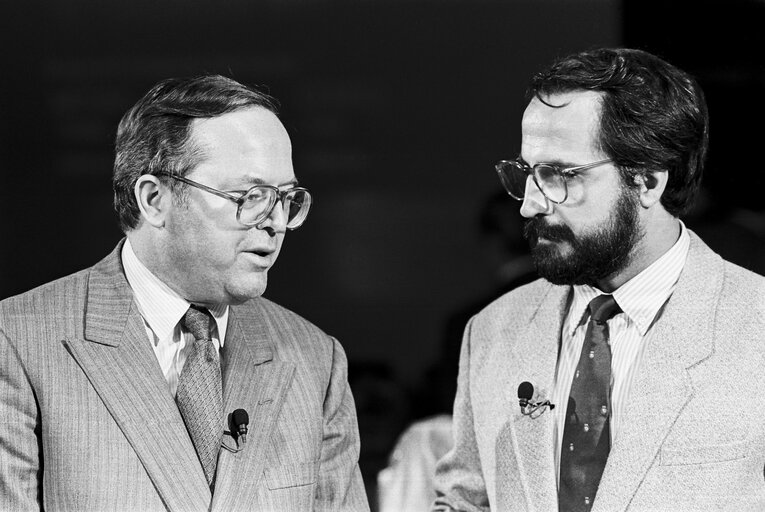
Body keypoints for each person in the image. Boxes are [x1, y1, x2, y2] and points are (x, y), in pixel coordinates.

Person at [0, 75, 369, 511]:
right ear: (154, 200)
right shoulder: (18, 343)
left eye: (286, 198)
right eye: (250, 196)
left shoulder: (315, 360)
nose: (276, 222)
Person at [434, 48, 765, 511]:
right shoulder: (493, 330)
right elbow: (466, 500)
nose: (529, 205)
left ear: (648, 181)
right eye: (527, 173)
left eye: (560, 175)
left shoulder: (755, 326)